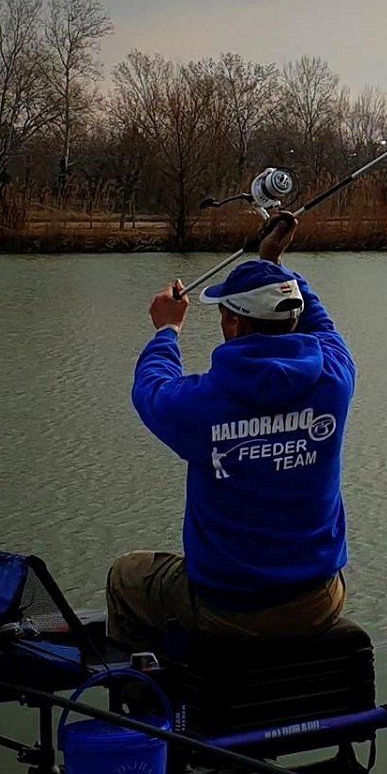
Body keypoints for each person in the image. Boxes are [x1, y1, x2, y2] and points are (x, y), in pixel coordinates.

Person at [107, 213, 356, 651]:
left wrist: (168, 329)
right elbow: (321, 322)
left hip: (229, 607)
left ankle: (146, 705)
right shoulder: (334, 379)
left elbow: (150, 389)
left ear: (235, 324)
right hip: (319, 601)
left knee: (127, 576)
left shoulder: (202, 404)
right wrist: (275, 265)